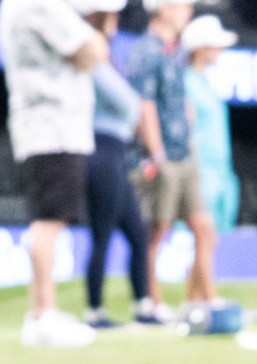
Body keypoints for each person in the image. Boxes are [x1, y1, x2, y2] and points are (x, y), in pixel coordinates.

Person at [0, 0, 109, 346]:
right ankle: (43, 314)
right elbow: (93, 50)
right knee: (49, 220)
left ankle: (42, 312)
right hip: (52, 128)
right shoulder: (39, 3)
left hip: (45, 127)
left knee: (50, 219)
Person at [127, 0, 220, 313]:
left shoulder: (173, 51)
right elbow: (145, 106)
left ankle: (200, 301)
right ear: (164, 8)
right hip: (162, 159)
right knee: (156, 232)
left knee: (205, 231)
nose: (188, 12)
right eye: (183, 5)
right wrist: (158, 154)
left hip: (184, 155)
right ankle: (152, 302)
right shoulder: (148, 51)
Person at [79, 1, 153, 329]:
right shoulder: (91, 58)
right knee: (103, 235)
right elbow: (129, 104)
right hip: (102, 151)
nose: (118, 19)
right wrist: (134, 106)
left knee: (138, 234)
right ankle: (95, 311)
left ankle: (143, 305)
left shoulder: (105, 56)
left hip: (115, 153)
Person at [184, 15, 242, 237]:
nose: (221, 50)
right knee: (203, 239)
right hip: (201, 172)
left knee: (211, 241)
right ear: (201, 48)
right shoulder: (186, 82)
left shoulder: (206, 82)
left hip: (221, 171)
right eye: (216, 46)